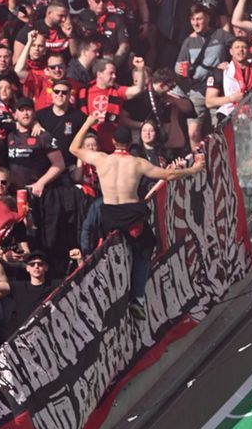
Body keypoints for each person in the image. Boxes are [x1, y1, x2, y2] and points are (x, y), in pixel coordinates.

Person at [68, 113, 204, 317]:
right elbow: (169, 175)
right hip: (131, 214)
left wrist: (88, 122)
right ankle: (137, 298)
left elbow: (73, 148)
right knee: (145, 249)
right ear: (131, 143)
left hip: (109, 214)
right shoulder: (138, 163)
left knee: (111, 253)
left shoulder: (101, 159)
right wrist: (194, 169)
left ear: (113, 142)